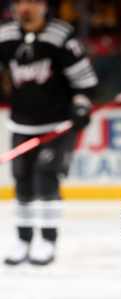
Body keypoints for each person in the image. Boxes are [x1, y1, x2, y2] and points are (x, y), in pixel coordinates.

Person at [0, 0, 98, 266]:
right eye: (20, 2)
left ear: (44, 6)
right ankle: (23, 239)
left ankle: (47, 239)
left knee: (45, 178)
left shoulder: (61, 36)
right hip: (21, 124)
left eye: (32, 2)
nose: (25, 8)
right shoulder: (5, 35)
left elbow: (86, 82)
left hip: (56, 126)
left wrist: (80, 106)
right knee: (22, 181)